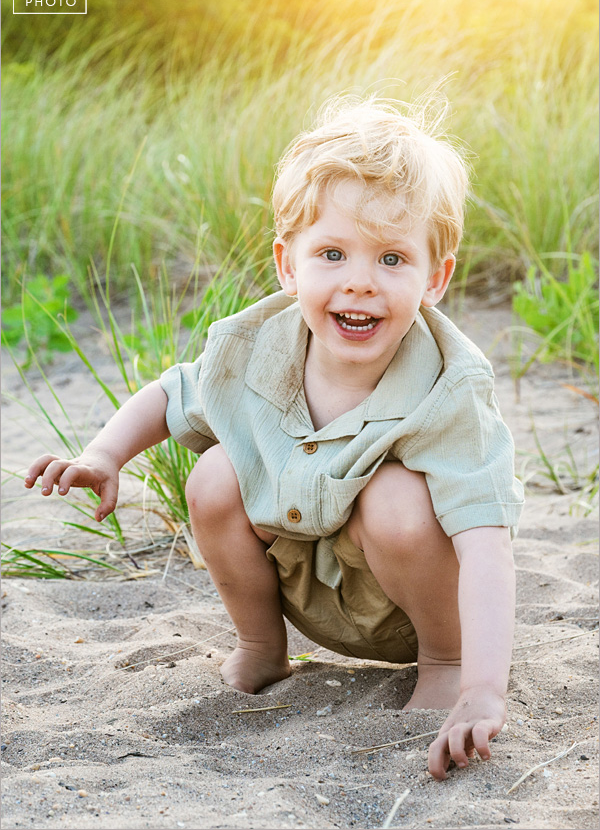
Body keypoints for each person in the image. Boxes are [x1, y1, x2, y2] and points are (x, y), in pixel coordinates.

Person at [25, 95, 524, 781]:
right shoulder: (257, 347)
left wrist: (483, 687)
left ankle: (444, 665)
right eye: (332, 252)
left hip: (413, 604)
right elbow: (176, 393)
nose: (359, 281)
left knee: (395, 497)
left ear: (434, 277)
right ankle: (262, 646)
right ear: (289, 266)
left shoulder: (449, 387)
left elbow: (487, 543)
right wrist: (103, 455)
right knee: (215, 475)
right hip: (303, 580)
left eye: (391, 259)